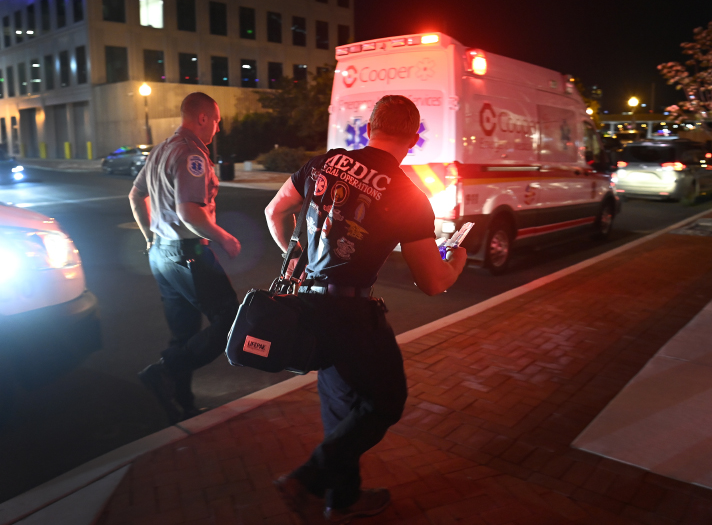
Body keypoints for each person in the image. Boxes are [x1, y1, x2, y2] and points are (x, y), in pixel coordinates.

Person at [264, 95, 467, 523]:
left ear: (370, 127)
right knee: (385, 401)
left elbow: (274, 210)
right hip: (351, 312)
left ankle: (343, 499)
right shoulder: (407, 194)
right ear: (413, 139)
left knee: (342, 403)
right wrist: (457, 261)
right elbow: (432, 282)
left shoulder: (324, 163)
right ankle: (306, 479)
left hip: (307, 303)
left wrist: (296, 259)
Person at [129, 92, 241, 423]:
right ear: (202, 118)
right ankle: (162, 372)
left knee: (185, 333)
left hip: (161, 254)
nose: (217, 128)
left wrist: (149, 237)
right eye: (216, 121)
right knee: (230, 320)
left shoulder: (160, 150)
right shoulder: (192, 153)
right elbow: (188, 210)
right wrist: (224, 237)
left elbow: (135, 195)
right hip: (188, 253)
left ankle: (182, 402)